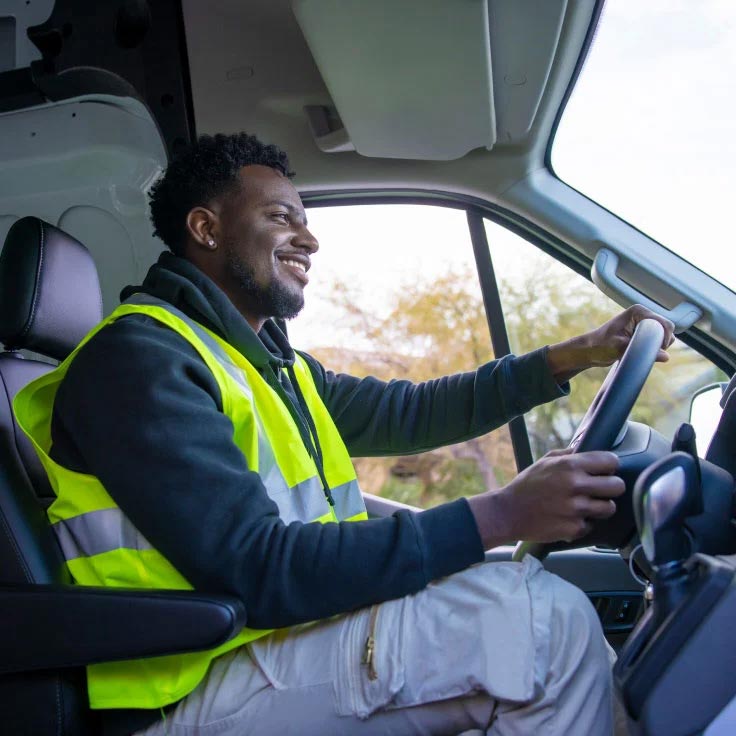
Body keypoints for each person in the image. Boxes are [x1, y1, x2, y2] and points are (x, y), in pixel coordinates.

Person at [15, 133, 674, 736]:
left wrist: (575, 354)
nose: (308, 239)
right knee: (538, 624)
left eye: (306, 220)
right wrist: (503, 512)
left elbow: (413, 412)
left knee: (527, 613)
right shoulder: (137, 362)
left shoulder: (270, 365)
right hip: (184, 688)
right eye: (280, 217)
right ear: (205, 228)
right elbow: (259, 568)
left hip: (273, 645)